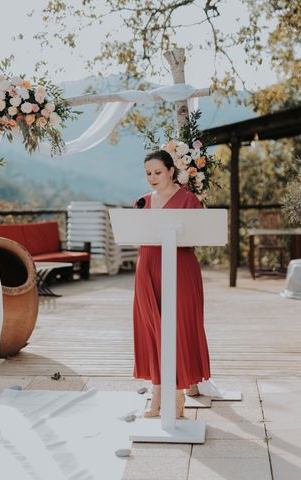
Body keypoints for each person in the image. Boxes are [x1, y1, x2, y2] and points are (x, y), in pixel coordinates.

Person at [132, 150, 211, 418]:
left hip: (180, 268)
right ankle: (156, 394)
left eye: (157, 172)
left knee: (178, 328)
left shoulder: (188, 200)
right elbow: (135, 236)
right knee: (152, 330)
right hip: (148, 269)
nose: (152, 178)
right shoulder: (142, 202)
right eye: (147, 173)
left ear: (170, 171)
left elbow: (195, 237)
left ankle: (177, 396)